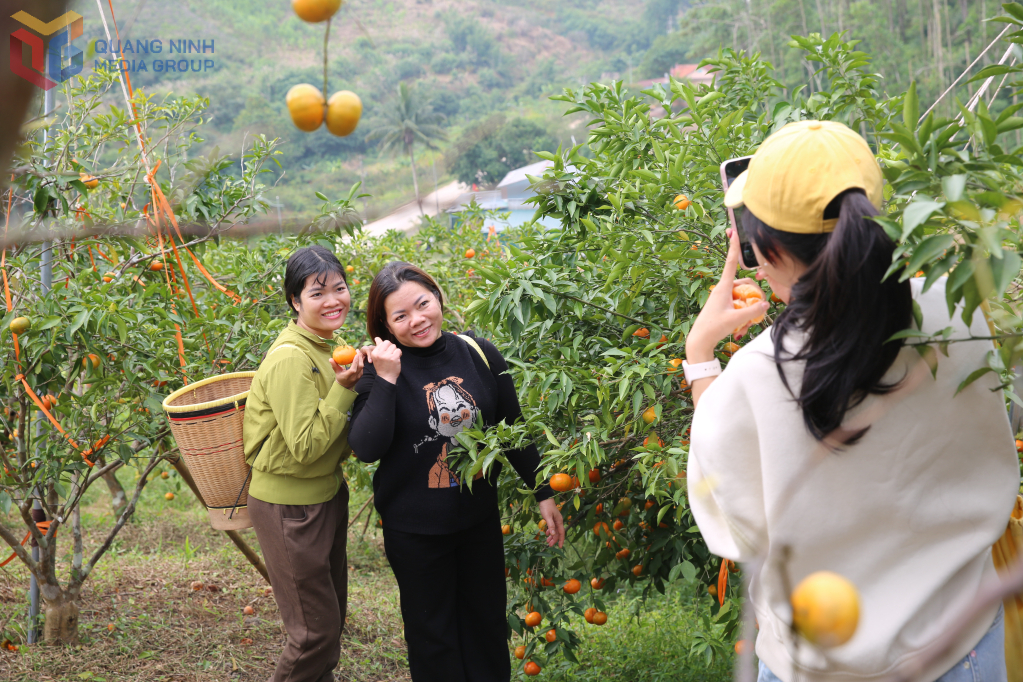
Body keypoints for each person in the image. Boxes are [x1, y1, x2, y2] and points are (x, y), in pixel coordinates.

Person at [683, 120, 1019, 682]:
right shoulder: (954, 304)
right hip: (965, 643)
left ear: (766, 247)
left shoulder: (759, 373)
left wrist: (701, 356)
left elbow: (731, 523)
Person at [348, 261, 565, 682]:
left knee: (486, 630)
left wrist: (544, 492)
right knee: (435, 641)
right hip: (414, 534)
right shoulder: (377, 368)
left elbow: (512, 428)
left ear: (437, 296)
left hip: (476, 522)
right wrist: (388, 378)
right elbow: (365, 448)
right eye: (401, 316)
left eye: (422, 303)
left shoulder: (478, 352)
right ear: (385, 326)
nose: (417, 320)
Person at [242, 245, 365, 682]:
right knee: (313, 635)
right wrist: (345, 389)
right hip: (290, 509)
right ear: (295, 301)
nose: (334, 300)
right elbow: (306, 447)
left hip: (325, 498)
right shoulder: (291, 358)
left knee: (328, 627)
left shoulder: (327, 347)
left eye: (340, 288)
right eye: (318, 293)